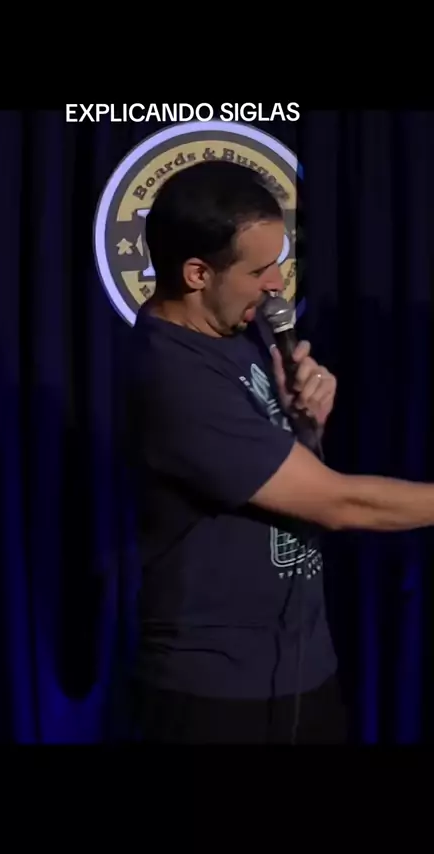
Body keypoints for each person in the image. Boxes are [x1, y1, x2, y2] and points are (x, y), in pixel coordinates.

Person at [125, 159, 432, 745]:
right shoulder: (173, 378)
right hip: (216, 695)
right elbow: (339, 504)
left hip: (301, 669)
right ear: (197, 273)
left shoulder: (242, 331)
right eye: (259, 269)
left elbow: (289, 477)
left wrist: (305, 423)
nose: (276, 284)